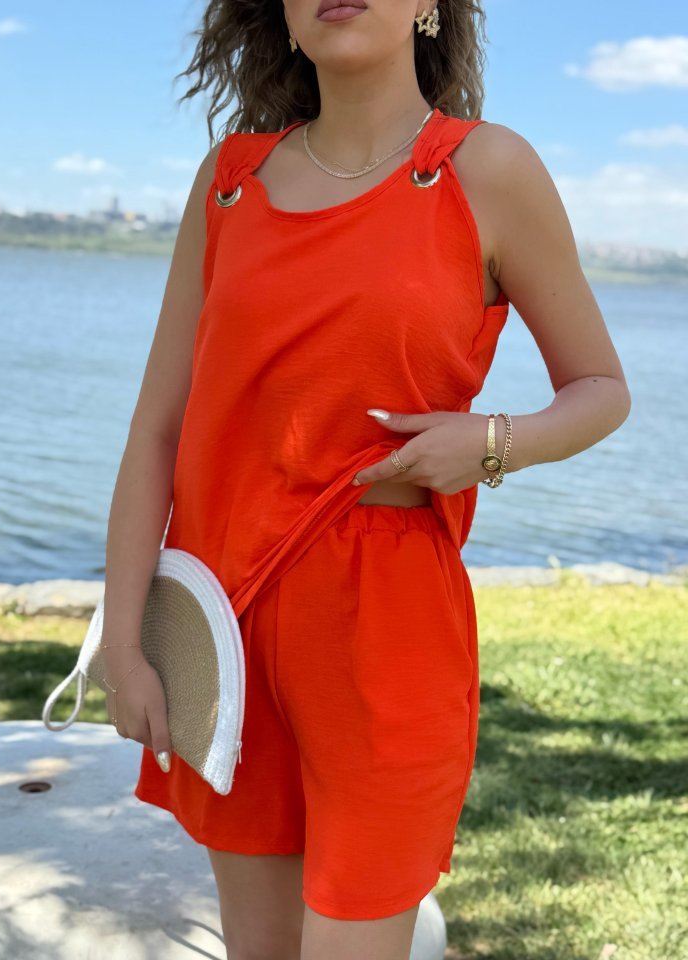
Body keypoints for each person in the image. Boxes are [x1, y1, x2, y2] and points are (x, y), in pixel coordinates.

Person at [98, 2, 632, 958]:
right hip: (225, 619)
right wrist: (126, 643)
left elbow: (601, 389)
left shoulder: (486, 170)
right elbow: (157, 432)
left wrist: (492, 441)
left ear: (430, 5)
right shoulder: (229, 182)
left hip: (388, 633)